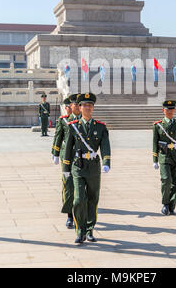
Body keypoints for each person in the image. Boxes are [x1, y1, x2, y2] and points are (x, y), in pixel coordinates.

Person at [62, 93, 111, 245]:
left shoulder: (100, 127)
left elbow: (105, 145)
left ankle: (89, 230)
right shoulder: (73, 126)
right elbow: (68, 147)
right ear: (80, 107)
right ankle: (79, 230)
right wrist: (66, 167)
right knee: (78, 199)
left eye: (90, 105)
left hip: (93, 168)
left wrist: (106, 162)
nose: (87, 107)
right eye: (84, 105)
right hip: (78, 166)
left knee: (92, 199)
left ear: (93, 108)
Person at [152, 100, 176, 216]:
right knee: (166, 180)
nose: (170, 111)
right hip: (164, 156)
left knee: (175, 183)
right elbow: (154, 143)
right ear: (163, 110)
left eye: (172, 109)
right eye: (167, 109)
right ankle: (165, 204)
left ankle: (172, 206)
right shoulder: (158, 125)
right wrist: (155, 160)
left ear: (174, 110)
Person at [51, 94, 81, 229]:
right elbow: (58, 137)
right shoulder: (64, 121)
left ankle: (80, 214)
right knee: (68, 185)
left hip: (81, 157)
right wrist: (56, 153)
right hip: (66, 157)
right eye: (73, 105)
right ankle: (69, 215)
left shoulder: (85, 120)